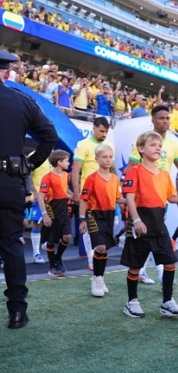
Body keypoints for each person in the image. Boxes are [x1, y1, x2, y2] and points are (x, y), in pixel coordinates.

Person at [0, 50, 58, 329]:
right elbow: (50, 136)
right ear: (7, 73)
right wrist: (28, 164)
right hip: (9, 182)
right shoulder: (23, 101)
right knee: (11, 246)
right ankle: (17, 312)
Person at [121, 131, 178, 318]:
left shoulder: (165, 174)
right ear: (141, 149)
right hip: (140, 222)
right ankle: (132, 301)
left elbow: (171, 196)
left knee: (170, 262)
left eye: (160, 146)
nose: (158, 148)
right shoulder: (134, 170)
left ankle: (167, 301)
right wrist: (136, 220)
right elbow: (128, 196)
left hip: (159, 224)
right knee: (135, 267)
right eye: (153, 145)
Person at [127, 105, 178, 285]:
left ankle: (151, 274)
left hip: (161, 197)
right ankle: (148, 274)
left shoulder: (173, 143)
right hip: (142, 201)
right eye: (161, 118)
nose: (165, 121)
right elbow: (131, 167)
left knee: (155, 238)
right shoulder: (143, 141)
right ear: (153, 120)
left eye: (168, 118)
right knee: (146, 239)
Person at [79, 145, 125, 297]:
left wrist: (134, 200)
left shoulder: (114, 179)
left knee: (104, 249)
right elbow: (84, 200)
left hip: (109, 215)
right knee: (99, 247)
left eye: (110, 157)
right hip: (94, 215)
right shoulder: (91, 178)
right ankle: (96, 279)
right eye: (104, 157)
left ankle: (100, 278)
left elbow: (118, 199)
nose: (107, 160)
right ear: (96, 159)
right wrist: (82, 219)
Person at [71, 117, 114, 271]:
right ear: (94, 128)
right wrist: (76, 192)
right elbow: (75, 169)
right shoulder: (83, 145)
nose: (104, 134)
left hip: (107, 197)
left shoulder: (109, 146)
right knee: (90, 228)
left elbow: (113, 169)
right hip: (89, 196)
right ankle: (91, 258)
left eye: (106, 132)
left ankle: (97, 256)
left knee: (109, 227)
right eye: (101, 131)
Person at [38, 150, 72, 277]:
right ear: (59, 162)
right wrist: (45, 215)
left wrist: (75, 197)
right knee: (51, 241)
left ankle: (57, 258)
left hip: (63, 210)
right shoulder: (47, 177)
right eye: (67, 160)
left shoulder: (65, 175)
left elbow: (65, 190)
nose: (69, 163)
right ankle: (52, 266)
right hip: (51, 210)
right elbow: (41, 197)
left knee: (67, 236)